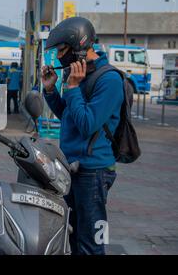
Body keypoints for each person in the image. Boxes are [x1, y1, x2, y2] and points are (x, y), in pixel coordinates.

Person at [41, 17, 123, 255]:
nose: (58, 57)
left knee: (90, 242)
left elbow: (88, 125)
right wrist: (50, 90)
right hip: (71, 166)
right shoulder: (77, 75)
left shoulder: (109, 80)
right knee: (71, 236)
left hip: (93, 171)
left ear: (78, 47)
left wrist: (74, 88)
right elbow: (70, 118)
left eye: (62, 50)